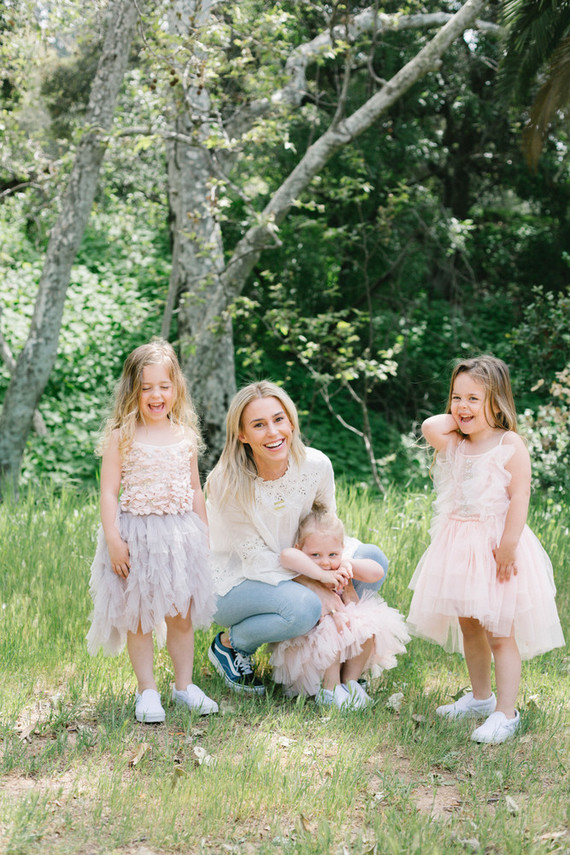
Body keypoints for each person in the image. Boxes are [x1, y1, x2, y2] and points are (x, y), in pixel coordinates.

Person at [407, 355, 565, 743]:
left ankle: (505, 712)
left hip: (498, 549)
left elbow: (519, 497)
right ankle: (480, 698)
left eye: (474, 398)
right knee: (468, 625)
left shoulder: (509, 443)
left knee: (499, 631)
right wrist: (461, 414)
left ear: (497, 400)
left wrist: (508, 546)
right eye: (456, 398)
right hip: (458, 548)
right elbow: (430, 425)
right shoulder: (453, 441)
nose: (462, 407)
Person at [205, 380, 389, 695]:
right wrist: (315, 582)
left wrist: (335, 571)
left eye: (279, 420)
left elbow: (326, 528)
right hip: (235, 580)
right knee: (305, 607)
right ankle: (230, 646)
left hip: (300, 563)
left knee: (371, 558)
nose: (273, 432)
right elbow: (256, 558)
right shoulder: (227, 482)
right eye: (259, 425)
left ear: (291, 421)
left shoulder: (316, 465)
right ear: (242, 435)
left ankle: (344, 660)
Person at [87, 339, 218, 723]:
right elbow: (109, 492)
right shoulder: (122, 435)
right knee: (140, 616)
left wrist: (203, 535)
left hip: (180, 536)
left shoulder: (185, 436)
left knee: (181, 614)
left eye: (164, 385)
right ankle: (147, 691)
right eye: (147, 387)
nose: (156, 395)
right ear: (134, 391)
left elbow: (195, 489)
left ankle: (184, 685)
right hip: (136, 537)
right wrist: (114, 538)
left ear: (176, 388)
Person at [270, 507, 409, 709]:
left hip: (341, 629)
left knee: (368, 626)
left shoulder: (340, 564)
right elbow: (286, 555)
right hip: (312, 643)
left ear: (342, 548)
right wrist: (320, 576)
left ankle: (350, 682)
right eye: (315, 554)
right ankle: (330, 689)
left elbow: (377, 572)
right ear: (301, 549)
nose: (325, 562)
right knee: (332, 632)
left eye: (332, 554)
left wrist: (346, 563)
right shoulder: (302, 568)